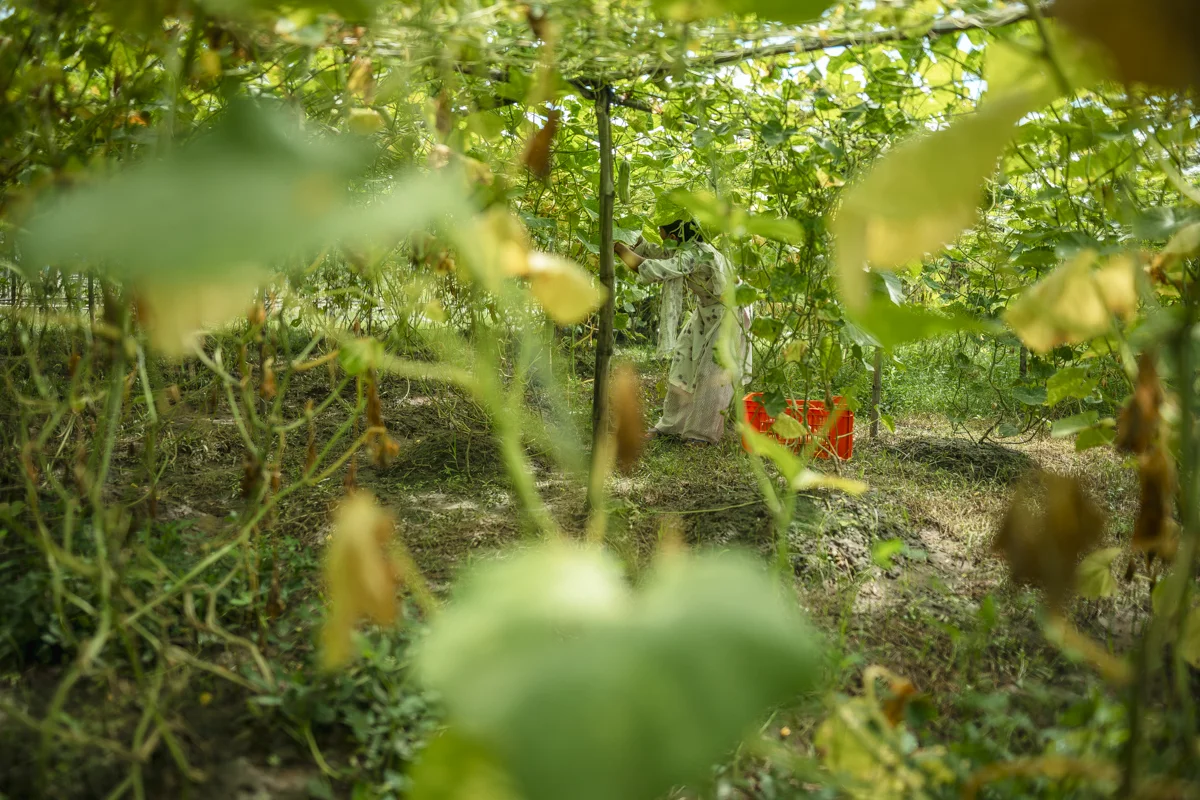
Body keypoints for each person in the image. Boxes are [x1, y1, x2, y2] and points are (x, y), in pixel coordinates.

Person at [615, 219, 750, 444]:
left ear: (675, 238)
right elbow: (658, 253)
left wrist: (618, 248)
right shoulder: (685, 250)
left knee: (713, 373)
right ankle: (672, 426)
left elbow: (655, 269)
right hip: (708, 311)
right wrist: (631, 238)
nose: (662, 242)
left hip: (730, 314)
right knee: (683, 362)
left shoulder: (694, 255)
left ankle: (702, 434)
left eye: (663, 236)